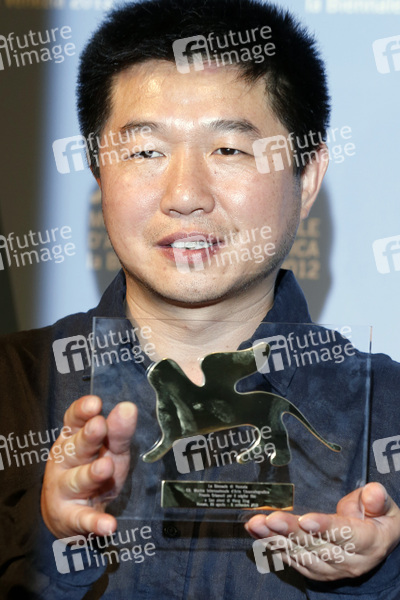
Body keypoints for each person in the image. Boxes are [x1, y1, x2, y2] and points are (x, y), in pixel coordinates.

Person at [1, 0, 400, 598]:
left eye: (229, 149)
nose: (185, 194)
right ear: (97, 170)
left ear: (308, 175)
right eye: (145, 151)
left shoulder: (388, 411)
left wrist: (381, 576)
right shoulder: (13, 389)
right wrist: (48, 547)